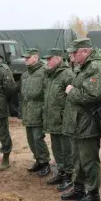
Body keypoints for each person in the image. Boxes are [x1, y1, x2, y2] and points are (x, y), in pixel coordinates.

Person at [61, 38, 101, 201]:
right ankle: (79, 188)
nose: (71, 55)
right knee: (78, 159)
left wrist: (71, 91)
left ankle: (93, 193)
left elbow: (92, 95)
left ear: (85, 51)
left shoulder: (97, 67)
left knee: (89, 160)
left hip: (88, 122)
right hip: (79, 122)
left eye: (74, 52)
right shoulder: (84, 66)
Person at [43, 48, 74, 190]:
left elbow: (72, 97)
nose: (47, 61)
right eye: (47, 59)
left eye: (50, 59)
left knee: (66, 148)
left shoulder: (67, 74)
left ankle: (70, 175)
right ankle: (61, 172)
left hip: (63, 119)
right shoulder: (51, 75)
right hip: (52, 118)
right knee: (56, 147)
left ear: (59, 59)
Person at [20, 48, 50, 177]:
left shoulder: (44, 71)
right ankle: (38, 159)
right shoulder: (25, 74)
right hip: (28, 110)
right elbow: (23, 95)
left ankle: (45, 162)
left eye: (28, 57)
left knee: (38, 138)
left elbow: (48, 92)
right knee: (30, 139)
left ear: (36, 57)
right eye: (25, 57)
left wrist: (45, 110)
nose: (26, 59)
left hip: (39, 110)